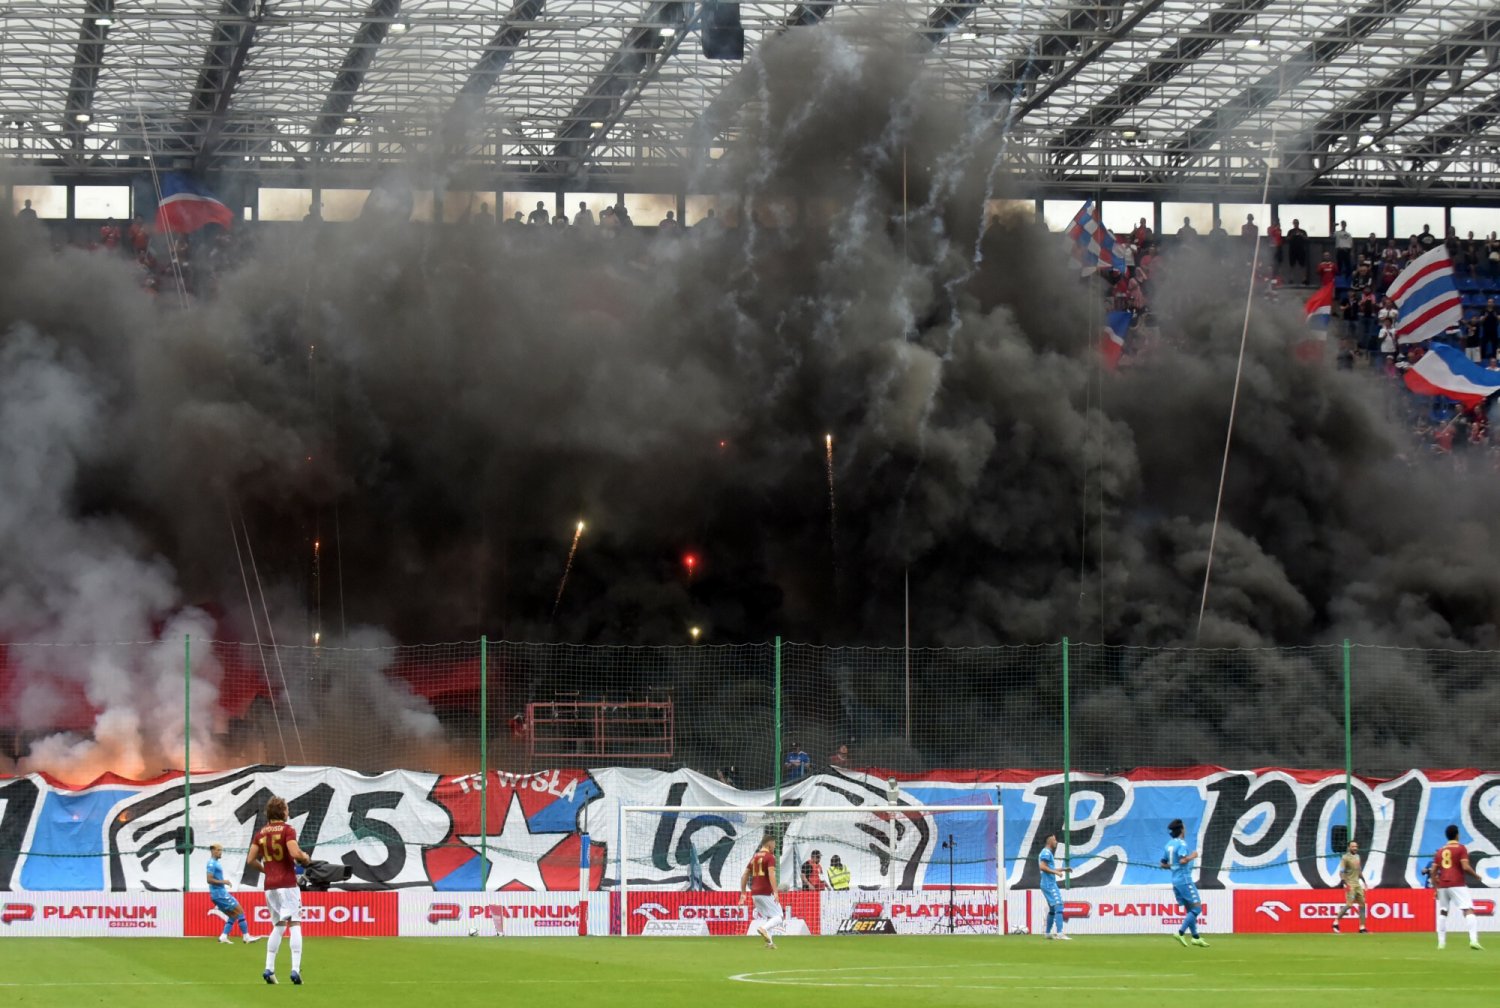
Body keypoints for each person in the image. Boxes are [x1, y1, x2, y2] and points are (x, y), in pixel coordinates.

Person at [246, 796, 313, 984]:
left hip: (270, 886)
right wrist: (305, 858)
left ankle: (269, 968)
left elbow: (250, 860)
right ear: (283, 811)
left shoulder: (261, 833)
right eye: (287, 809)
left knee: (278, 926)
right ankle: (295, 969)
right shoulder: (287, 830)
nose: (288, 812)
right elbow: (294, 853)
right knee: (295, 924)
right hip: (287, 884)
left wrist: (266, 869)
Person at [1433, 824, 1483, 950]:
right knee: (1468, 910)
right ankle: (1473, 940)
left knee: (1443, 911)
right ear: (1457, 835)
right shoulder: (1461, 848)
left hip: (1443, 885)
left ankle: (1441, 943)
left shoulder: (1440, 851)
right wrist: (1476, 875)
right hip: (1457, 883)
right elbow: (1465, 867)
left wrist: (1436, 888)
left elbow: (1433, 871)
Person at [1161, 818, 1208, 947]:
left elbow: (1163, 864)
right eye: (1184, 827)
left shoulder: (1168, 845)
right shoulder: (1182, 844)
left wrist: (1173, 865)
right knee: (1197, 908)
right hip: (1185, 880)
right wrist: (1193, 856)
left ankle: (1195, 937)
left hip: (1175, 881)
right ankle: (1180, 932)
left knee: (1190, 910)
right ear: (1181, 829)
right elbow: (1182, 861)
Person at [206, 843, 260, 944]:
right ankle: (246, 937)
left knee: (233, 915)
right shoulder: (211, 864)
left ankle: (223, 936)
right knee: (240, 911)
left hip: (218, 894)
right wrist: (224, 882)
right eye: (218, 850)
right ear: (213, 851)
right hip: (220, 894)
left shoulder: (215, 863)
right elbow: (209, 880)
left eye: (221, 850)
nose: (220, 852)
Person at [739, 833, 783, 949]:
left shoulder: (755, 857)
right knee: (779, 916)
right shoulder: (770, 857)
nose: (774, 847)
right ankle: (763, 928)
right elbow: (771, 874)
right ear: (769, 845)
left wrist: (743, 893)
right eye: (774, 845)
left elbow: (744, 875)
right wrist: (776, 892)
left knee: (770, 917)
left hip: (754, 893)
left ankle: (769, 943)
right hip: (766, 892)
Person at [1039, 833, 1071, 940]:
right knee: (1059, 906)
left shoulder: (1046, 853)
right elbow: (1042, 867)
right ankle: (1060, 933)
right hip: (1049, 884)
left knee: (1052, 909)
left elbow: (1048, 868)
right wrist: (1056, 873)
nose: (1056, 842)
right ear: (1049, 841)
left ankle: (1048, 933)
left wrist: (1062, 869)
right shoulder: (1046, 852)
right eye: (1054, 840)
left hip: (1046, 883)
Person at [1332, 839, 1369, 933]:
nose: (1355, 848)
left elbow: (1359, 870)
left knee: (1362, 905)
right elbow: (1341, 872)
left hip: (1357, 884)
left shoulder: (1357, 857)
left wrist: (1364, 882)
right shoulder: (1345, 858)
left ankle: (1362, 928)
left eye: (1356, 846)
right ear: (1349, 848)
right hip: (1350, 884)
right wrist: (1345, 883)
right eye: (1353, 846)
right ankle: (1335, 922)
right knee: (1349, 905)